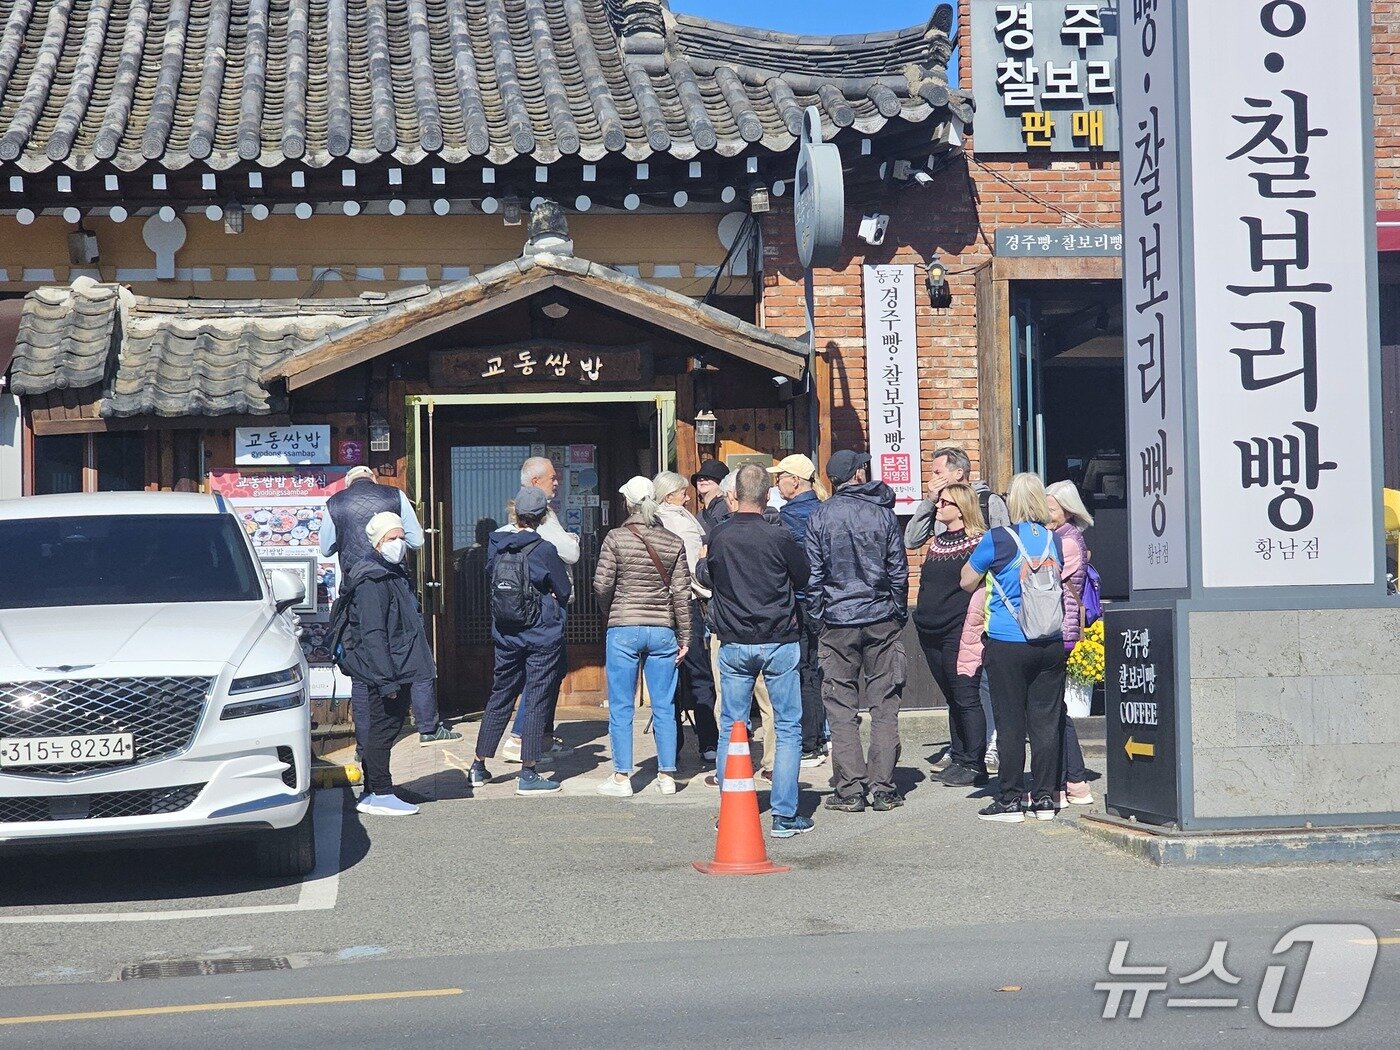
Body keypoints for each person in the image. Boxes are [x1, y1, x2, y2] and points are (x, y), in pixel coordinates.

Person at [697, 464, 813, 838]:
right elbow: (803, 576)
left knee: (732, 725)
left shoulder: (719, 535)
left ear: (733, 496)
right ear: (767, 497)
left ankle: (732, 808)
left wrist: (702, 562)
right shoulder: (780, 536)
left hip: (734, 639)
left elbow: (707, 575)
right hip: (779, 637)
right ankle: (784, 814)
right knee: (788, 725)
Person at [806, 450, 910, 814]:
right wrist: (898, 611)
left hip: (837, 620)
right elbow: (898, 570)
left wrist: (818, 617)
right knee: (884, 705)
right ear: (858, 474)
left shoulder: (820, 515)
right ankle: (882, 789)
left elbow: (814, 575)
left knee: (840, 706)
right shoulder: (882, 513)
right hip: (880, 616)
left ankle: (850, 789)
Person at [323, 466, 458, 746]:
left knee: (363, 667)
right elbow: (418, 540)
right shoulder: (395, 495)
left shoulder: (334, 504)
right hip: (395, 582)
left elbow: (326, 548)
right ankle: (428, 726)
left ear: (348, 483)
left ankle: (364, 744)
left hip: (357, 587)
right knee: (416, 652)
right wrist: (394, 538)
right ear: (374, 479)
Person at [961, 472, 1066, 823]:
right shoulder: (1054, 540)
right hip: (1050, 641)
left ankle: (1009, 799)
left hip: (1008, 641)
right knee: (1046, 722)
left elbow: (966, 580)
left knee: (1010, 723)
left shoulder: (998, 538)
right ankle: (1045, 798)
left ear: (1012, 502)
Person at [593, 477, 693, 797]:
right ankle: (667, 775)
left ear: (628, 504)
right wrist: (685, 636)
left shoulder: (615, 538)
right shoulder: (673, 541)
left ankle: (622, 777)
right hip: (662, 628)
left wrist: (611, 612)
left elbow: (602, 584)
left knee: (622, 706)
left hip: (623, 626)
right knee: (664, 705)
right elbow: (682, 593)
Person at [470, 488, 572, 795]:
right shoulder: (544, 549)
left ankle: (478, 765)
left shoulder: (496, 544)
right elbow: (563, 590)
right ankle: (528, 773)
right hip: (541, 635)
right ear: (543, 516)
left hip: (506, 632)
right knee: (537, 698)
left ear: (515, 513)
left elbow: (492, 576)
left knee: (500, 694)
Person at [342, 512, 439, 816]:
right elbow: (373, 633)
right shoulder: (373, 580)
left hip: (396, 664)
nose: (398, 543)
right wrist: (387, 681)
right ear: (377, 542)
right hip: (386, 669)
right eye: (391, 538)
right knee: (383, 730)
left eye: (401, 537)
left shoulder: (392, 572)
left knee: (382, 728)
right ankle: (381, 793)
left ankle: (373, 791)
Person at [498, 456, 581, 763]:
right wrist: (572, 538)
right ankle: (520, 738)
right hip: (546, 607)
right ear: (535, 482)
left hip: (520, 607)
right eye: (552, 477)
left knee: (554, 671)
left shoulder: (514, 517)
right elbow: (570, 552)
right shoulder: (541, 513)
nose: (557, 482)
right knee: (543, 673)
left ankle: (542, 737)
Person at [913, 483, 990, 787]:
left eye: (945, 503)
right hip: (929, 628)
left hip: (959, 630)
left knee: (965, 694)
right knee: (951, 696)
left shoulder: (978, 542)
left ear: (961, 508)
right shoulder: (937, 541)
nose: (939, 506)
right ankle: (959, 756)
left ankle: (975, 763)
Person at [654, 470, 718, 765]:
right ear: (669, 496)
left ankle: (670, 746)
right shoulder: (681, 522)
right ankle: (708, 741)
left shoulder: (652, 522)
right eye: (682, 492)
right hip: (688, 603)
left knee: (665, 677)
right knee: (699, 672)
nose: (688, 497)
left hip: (658, 607)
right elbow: (694, 566)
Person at [768, 454, 828, 768]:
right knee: (818, 668)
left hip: (801, 601)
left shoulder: (789, 516)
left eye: (780, 477)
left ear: (795, 480)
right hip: (829, 599)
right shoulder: (826, 509)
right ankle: (821, 735)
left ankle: (810, 742)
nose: (777, 483)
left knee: (804, 669)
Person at [1047, 480, 1096, 807]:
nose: (1044, 513)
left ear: (1067, 509)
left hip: (1061, 631)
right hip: (1061, 629)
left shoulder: (1066, 542)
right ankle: (1072, 780)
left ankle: (1073, 780)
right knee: (1054, 708)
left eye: (1050, 508)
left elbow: (1045, 576)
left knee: (1053, 709)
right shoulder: (1067, 537)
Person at [904, 446, 1010, 547]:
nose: (933, 478)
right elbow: (911, 541)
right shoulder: (938, 505)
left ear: (958, 473)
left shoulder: (987, 501)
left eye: (937, 473)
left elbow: (1006, 544)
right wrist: (929, 501)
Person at [693, 459, 731, 534]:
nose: (702, 479)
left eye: (708, 477)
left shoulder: (727, 508)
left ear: (721, 482)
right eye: (700, 477)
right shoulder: (700, 515)